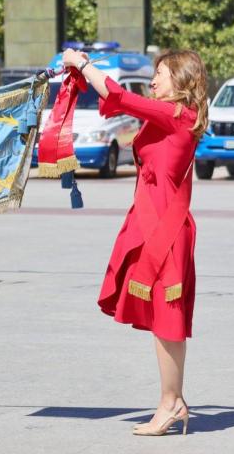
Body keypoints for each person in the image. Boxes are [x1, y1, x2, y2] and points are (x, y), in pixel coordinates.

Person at [62, 47, 205, 437]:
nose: (154, 79)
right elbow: (114, 106)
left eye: (160, 73)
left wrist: (83, 64)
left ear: (181, 80)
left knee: (167, 320)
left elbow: (120, 97)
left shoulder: (177, 115)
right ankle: (171, 400)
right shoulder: (166, 116)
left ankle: (171, 402)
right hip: (151, 222)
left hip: (166, 229)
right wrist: (81, 77)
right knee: (163, 321)